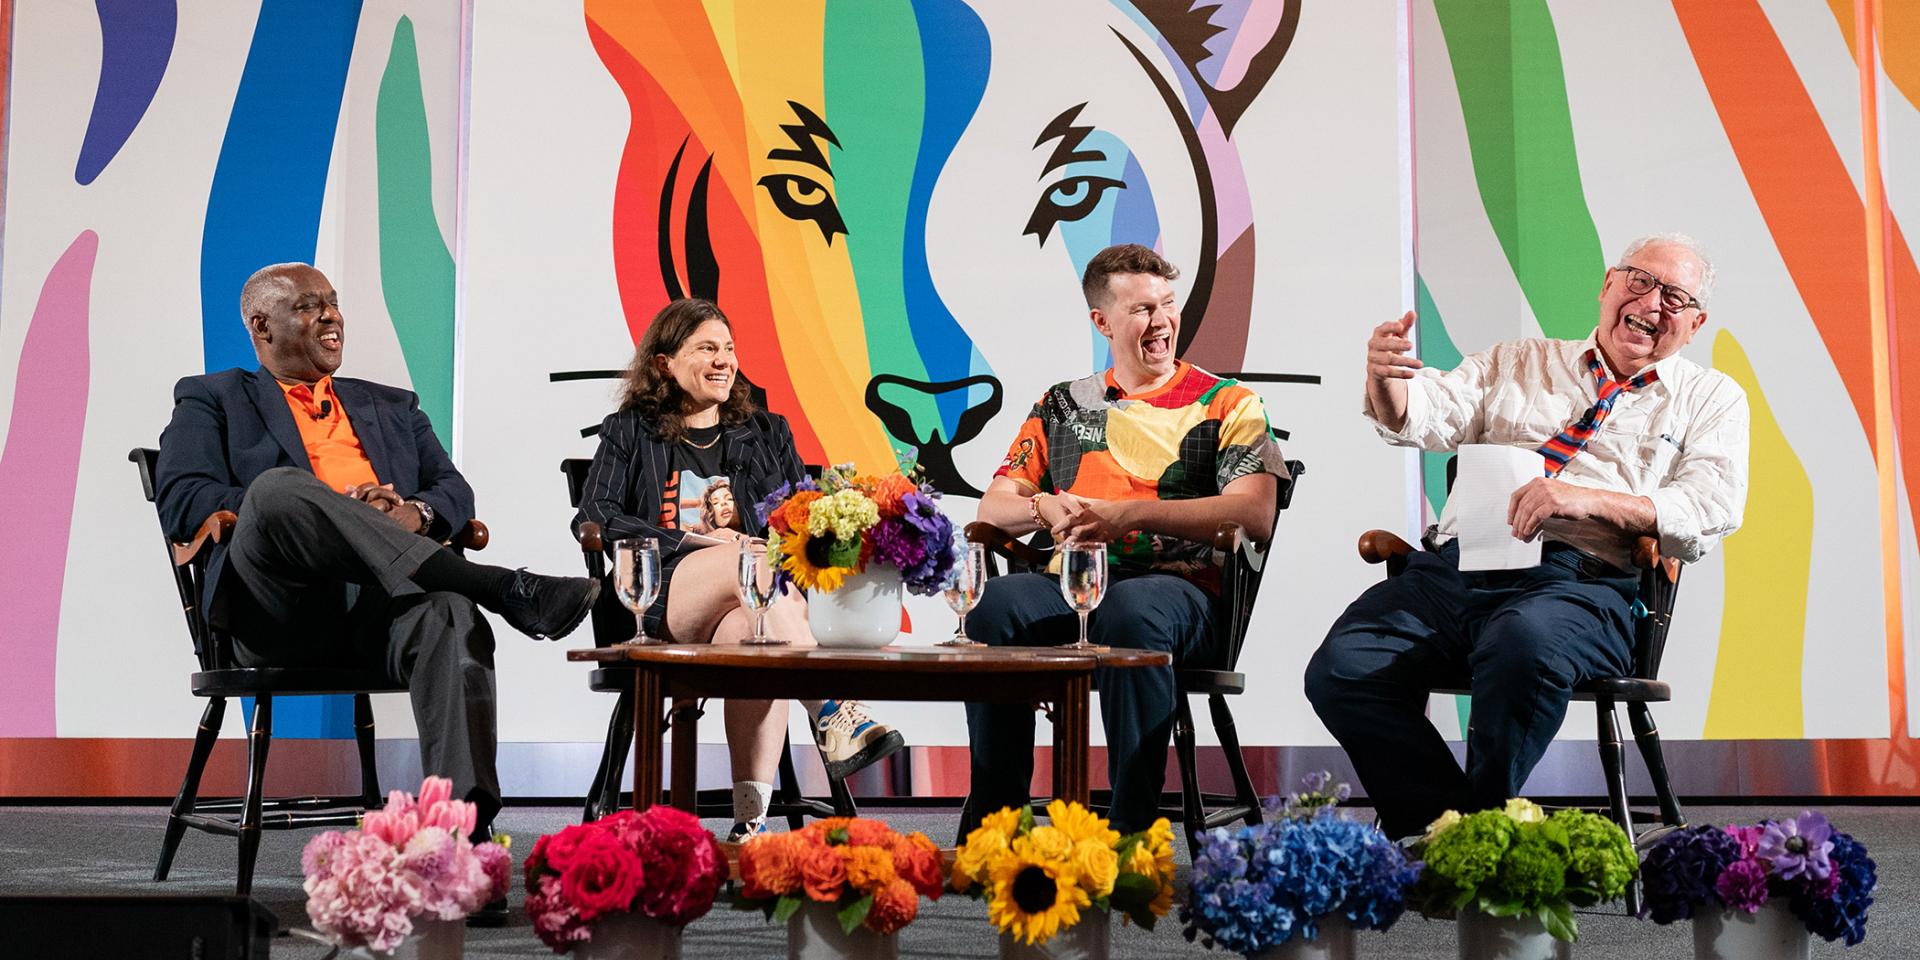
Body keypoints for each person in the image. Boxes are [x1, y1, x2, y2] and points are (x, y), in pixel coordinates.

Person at [154, 263, 599, 919]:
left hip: (381, 609)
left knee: (449, 610)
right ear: (261, 326)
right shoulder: (214, 397)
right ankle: (501, 586)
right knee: (277, 490)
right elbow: (183, 498)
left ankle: (461, 847)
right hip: (280, 603)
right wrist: (336, 508)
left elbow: (453, 491)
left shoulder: (391, 405)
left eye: (334, 304)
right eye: (310, 307)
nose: (332, 317)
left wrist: (411, 515)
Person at [1304, 233, 1750, 839]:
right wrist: (1387, 381)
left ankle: (1481, 828)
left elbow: (1712, 505)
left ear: (1694, 325)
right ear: (1608, 286)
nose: (1652, 304)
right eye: (1640, 281)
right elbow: (1425, 412)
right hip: (1459, 568)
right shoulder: (1517, 362)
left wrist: (1584, 498)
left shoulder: (1711, 399)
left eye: (1675, 297)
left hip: (1582, 585)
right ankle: (1452, 826)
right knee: (1343, 666)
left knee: (1523, 643)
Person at [959, 243, 1290, 836]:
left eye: (1167, 304)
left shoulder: (1228, 402)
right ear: (1103, 322)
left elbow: (1255, 512)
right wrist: (1042, 505)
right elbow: (994, 506)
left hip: (1178, 591)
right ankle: (998, 825)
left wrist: (1130, 514)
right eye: (1141, 310)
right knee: (994, 608)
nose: (1161, 321)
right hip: (1071, 582)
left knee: (1130, 612)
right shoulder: (1063, 405)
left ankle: (1131, 831)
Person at [574, 297, 904, 839]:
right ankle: (831, 707)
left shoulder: (766, 432)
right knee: (746, 562)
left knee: (759, 635)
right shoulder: (629, 430)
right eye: (707, 348)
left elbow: (801, 521)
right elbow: (598, 516)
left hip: (754, 599)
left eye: (728, 348)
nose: (724, 359)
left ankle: (749, 826)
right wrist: (693, 539)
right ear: (665, 363)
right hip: (658, 594)